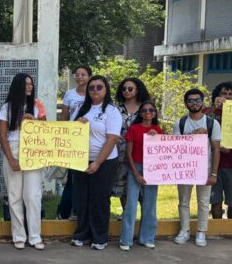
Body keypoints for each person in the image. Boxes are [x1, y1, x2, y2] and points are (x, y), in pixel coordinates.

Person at [70, 76, 122, 250]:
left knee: (99, 199)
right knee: (82, 199)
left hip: (105, 162)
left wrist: (98, 163)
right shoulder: (81, 108)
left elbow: (112, 139)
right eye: (92, 87)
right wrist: (77, 123)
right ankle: (82, 234)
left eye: (99, 87)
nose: (95, 90)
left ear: (106, 89)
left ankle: (99, 237)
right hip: (80, 159)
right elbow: (70, 132)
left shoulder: (112, 111)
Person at [0, 73, 46, 250]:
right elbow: (2, 135)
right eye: (26, 84)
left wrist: (35, 121)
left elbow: (46, 130)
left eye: (31, 84)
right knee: (14, 195)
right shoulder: (7, 107)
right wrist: (11, 159)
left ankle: (35, 236)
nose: (29, 87)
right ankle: (18, 235)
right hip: (14, 148)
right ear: (17, 86)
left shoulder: (38, 105)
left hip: (33, 149)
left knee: (33, 196)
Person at [172, 89, 220, 247]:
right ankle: (184, 230)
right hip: (184, 167)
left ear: (202, 102)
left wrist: (214, 173)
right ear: (186, 103)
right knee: (183, 201)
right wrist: (193, 134)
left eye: (197, 100)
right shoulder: (180, 123)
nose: (194, 103)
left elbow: (216, 149)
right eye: (191, 101)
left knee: (204, 201)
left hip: (204, 168)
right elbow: (176, 147)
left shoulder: (212, 123)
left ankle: (201, 232)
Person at [119, 101, 163, 250]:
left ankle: (147, 238)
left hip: (152, 168)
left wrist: (156, 138)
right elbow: (129, 153)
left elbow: (162, 153)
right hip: (136, 166)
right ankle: (126, 240)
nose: (147, 112)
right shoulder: (134, 129)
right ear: (140, 113)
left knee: (150, 205)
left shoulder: (158, 130)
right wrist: (136, 173)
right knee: (131, 205)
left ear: (155, 113)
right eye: (144, 110)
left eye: (151, 110)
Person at [58, 64, 91, 219]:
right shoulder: (69, 94)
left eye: (83, 74)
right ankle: (66, 212)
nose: (79, 77)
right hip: (73, 139)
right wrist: (64, 136)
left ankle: (80, 211)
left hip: (91, 139)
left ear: (89, 76)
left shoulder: (94, 93)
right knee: (73, 177)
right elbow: (64, 117)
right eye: (77, 74)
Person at [208, 81, 232, 220]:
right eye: (223, 93)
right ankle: (218, 228)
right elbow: (204, 125)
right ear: (217, 95)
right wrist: (215, 108)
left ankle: (231, 228)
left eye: (230, 94)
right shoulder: (209, 112)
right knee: (215, 200)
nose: (227, 97)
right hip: (213, 164)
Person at [114, 77, 149, 210]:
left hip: (141, 152)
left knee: (143, 185)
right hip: (121, 152)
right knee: (123, 185)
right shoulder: (116, 109)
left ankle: (145, 215)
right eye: (124, 89)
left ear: (137, 90)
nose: (126, 91)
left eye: (130, 89)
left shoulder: (146, 109)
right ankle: (127, 214)